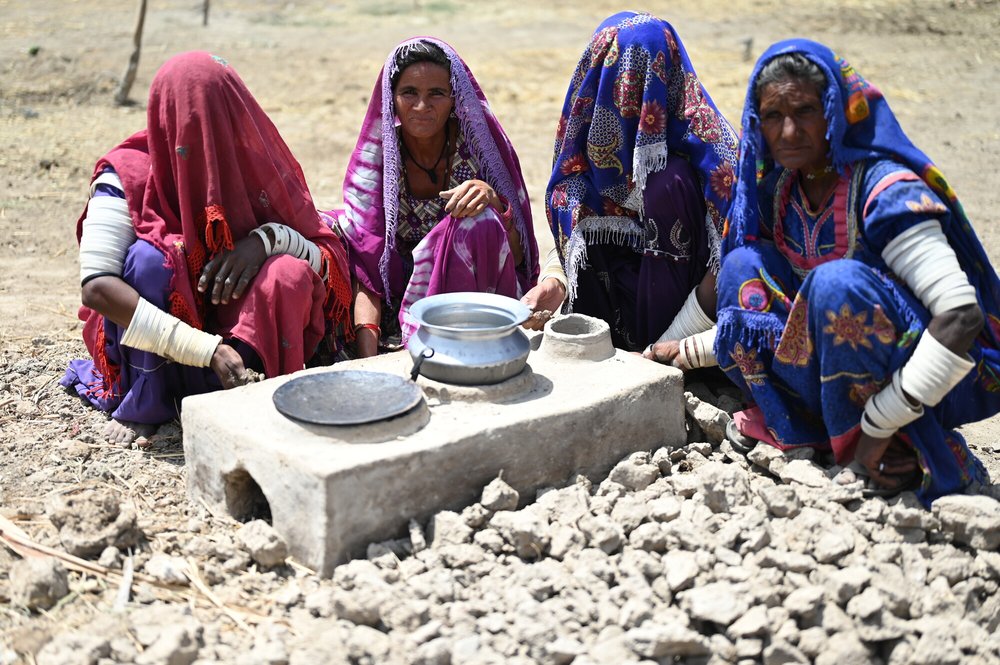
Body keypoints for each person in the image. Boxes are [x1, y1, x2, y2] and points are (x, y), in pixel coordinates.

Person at [713, 39, 1000, 503]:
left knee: (836, 284)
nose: (788, 131)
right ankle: (810, 429)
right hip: (839, 364)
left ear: (835, 110)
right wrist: (677, 352)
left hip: (924, 374)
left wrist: (878, 424)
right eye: (772, 116)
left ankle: (891, 448)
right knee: (742, 267)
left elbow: (961, 317)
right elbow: (759, 304)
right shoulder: (781, 186)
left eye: (805, 110)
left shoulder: (885, 189)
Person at [62, 52, 353, 447]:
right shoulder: (127, 173)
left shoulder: (251, 163)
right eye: (190, 125)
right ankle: (150, 404)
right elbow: (97, 286)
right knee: (148, 260)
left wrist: (264, 242)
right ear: (164, 119)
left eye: (218, 121)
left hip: (240, 349)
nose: (204, 141)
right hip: (160, 349)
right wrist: (204, 348)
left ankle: (259, 389)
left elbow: (324, 263)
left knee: (288, 272)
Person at [540, 11, 738, 355]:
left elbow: (727, 270)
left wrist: (669, 347)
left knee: (666, 182)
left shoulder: (715, 152)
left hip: (690, 322)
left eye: (643, 83)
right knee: (572, 192)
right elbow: (572, 226)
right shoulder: (584, 137)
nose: (628, 99)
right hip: (616, 307)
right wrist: (553, 280)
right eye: (615, 79)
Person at [337, 38, 545, 356]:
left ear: (454, 98)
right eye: (409, 93)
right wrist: (368, 359)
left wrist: (494, 201)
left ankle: (469, 343)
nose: (422, 107)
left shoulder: (479, 150)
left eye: (436, 93)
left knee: (482, 221)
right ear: (391, 99)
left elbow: (517, 258)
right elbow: (368, 259)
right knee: (331, 229)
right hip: (400, 293)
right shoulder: (379, 158)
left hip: (475, 296)